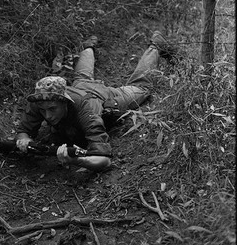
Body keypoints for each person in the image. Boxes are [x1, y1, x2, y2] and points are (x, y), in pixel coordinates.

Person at [15, 31, 176, 172]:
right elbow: (24, 131)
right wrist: (25, 141)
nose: (47, 116)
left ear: (64, 102)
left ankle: (155, 46)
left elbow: (104, 160)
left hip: (105, 97)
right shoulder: (41, 99)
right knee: (82, 77)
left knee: (141, 87)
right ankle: (89, 46)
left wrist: (77, 160)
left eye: (52, 109)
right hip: (80, 87)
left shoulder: (86, 110)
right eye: (43, 111)